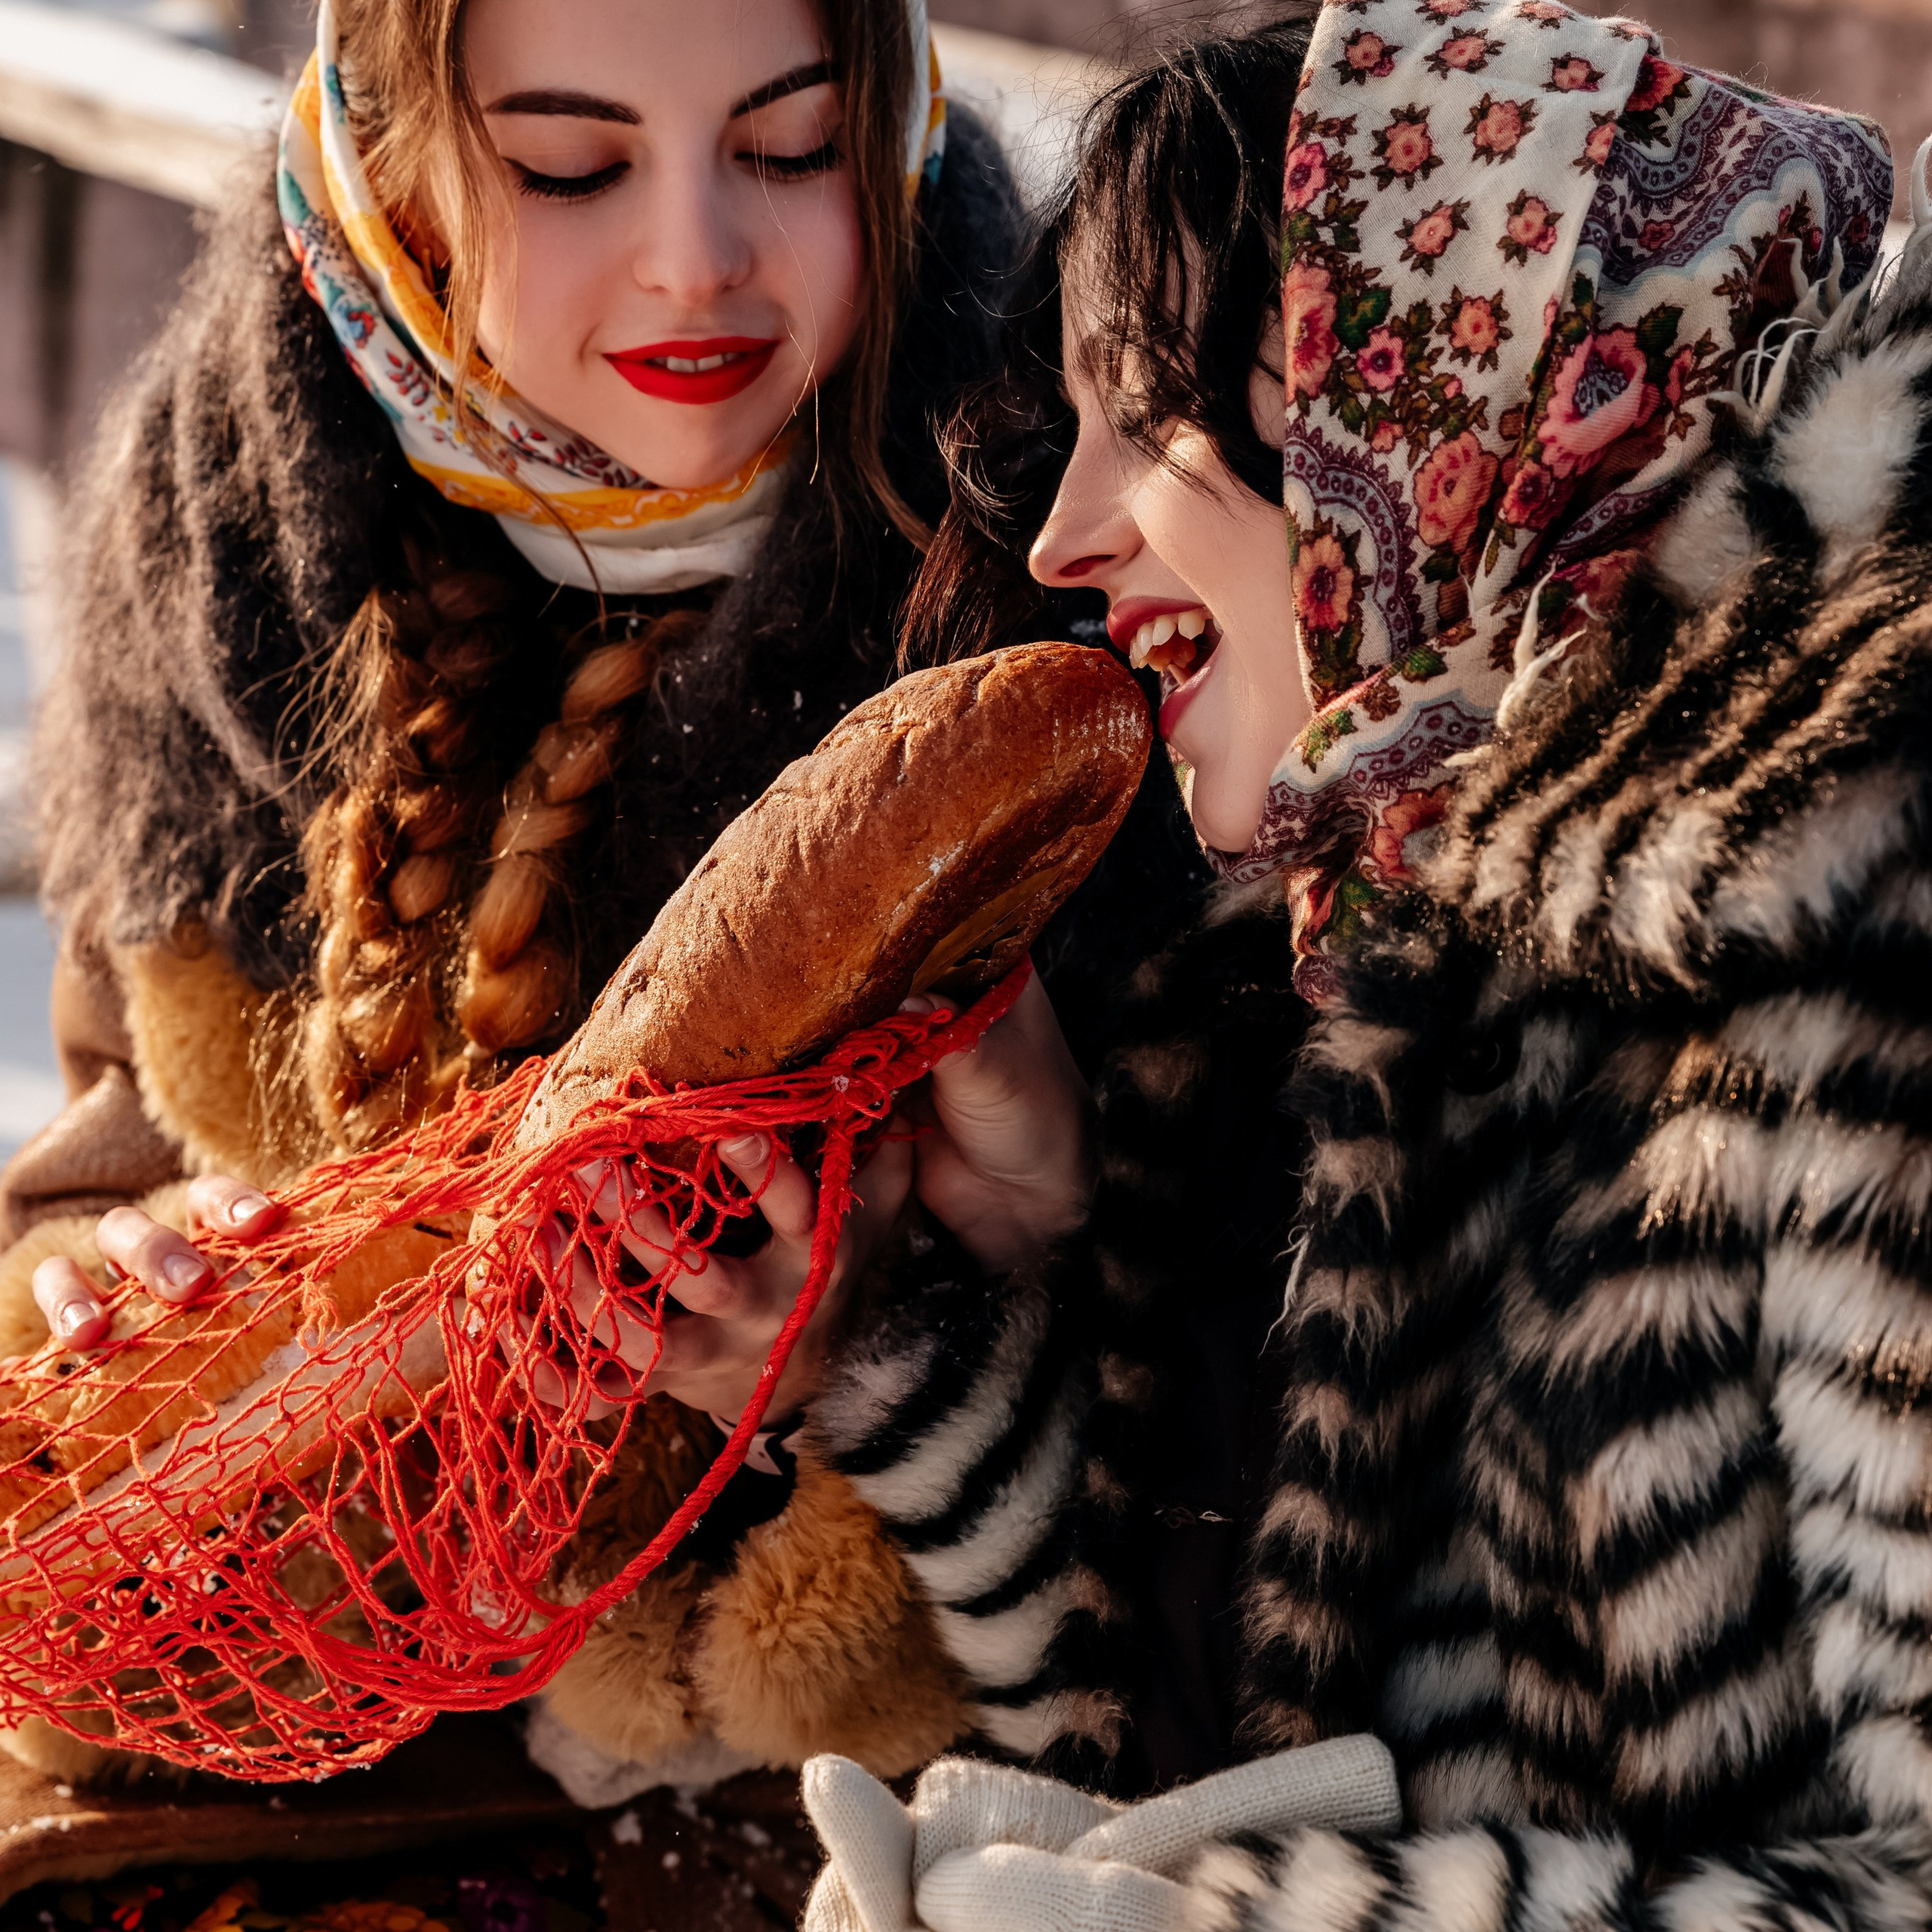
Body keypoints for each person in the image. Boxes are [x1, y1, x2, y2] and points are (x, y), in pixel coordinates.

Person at [797, 5, 1932, 1927]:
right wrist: (914, 1329)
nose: (1068, 537)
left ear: (1430, 401)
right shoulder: (1319, 963)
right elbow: (1247, 1726)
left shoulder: (1848, 944)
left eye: (1139, 417)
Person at [0, 0, 1204, 1798]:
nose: (695, 260)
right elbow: (120, 1121)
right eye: (569, 164)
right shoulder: (228, 544)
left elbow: (1258, 1452)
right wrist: (116, 1278)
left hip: (888, 1820)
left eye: (793, 148)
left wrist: (904, 1338)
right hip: (332, 1789)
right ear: (395, 163)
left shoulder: (1097, 547)